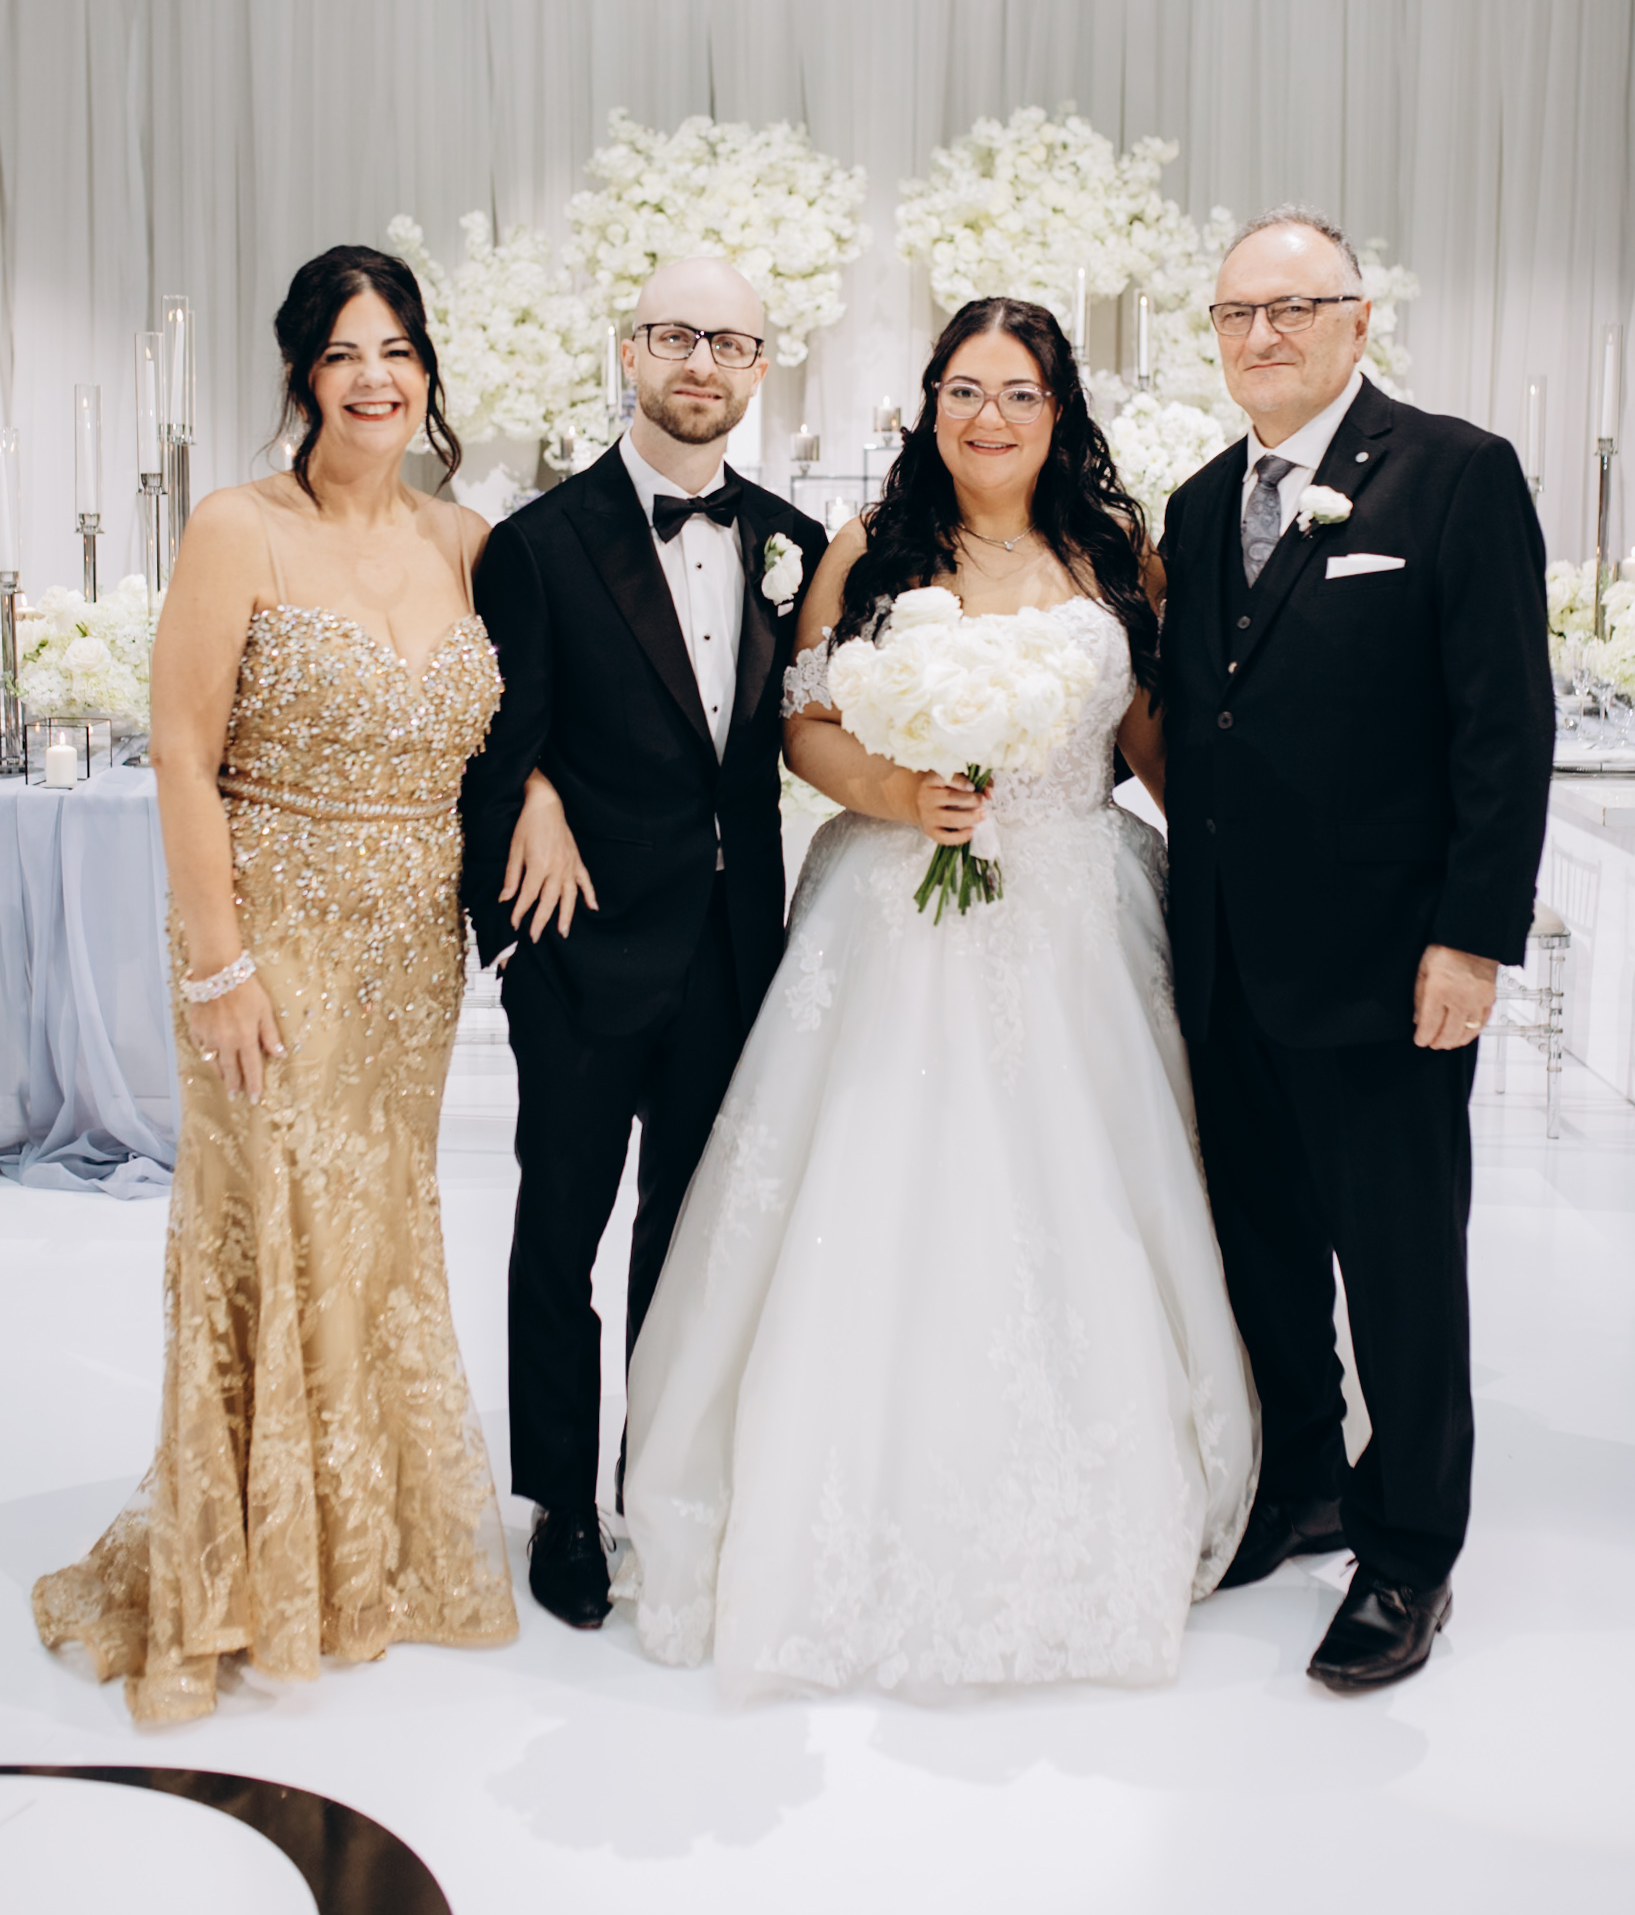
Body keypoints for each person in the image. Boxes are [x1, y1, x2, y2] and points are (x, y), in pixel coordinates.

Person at [611, 296, 1257, 1700]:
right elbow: (802, 725)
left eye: (1018, 393)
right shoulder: (871, 546)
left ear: (1057, 411)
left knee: (1082, 1188)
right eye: (964, 390)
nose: (989, 417)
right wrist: (903, 792)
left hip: (1076, 911)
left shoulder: (1115, 552)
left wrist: (1254, 864)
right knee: (877, 1181)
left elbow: (1153, 742)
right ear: (931, 404)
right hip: (897, 902)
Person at [33, 246, 518, 1723]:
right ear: (304, 375)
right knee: (275, 1225)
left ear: (427, 373)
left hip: (409, 957)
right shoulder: (240, 528)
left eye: (397, 352)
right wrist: (220, 965)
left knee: (376, 1232)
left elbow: (522, 736)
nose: (375, 379)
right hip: (273, 940)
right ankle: (248, 1570)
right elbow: (184, 752)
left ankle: (362, 1546)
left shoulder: (467, 540)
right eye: (344, 353)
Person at [1161, 207, 1553, 1692]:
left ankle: (1407, 1552)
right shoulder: (1201, 503)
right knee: (1262, 1251)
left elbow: (1503, 727)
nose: (1261, 335)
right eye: (1235, 313)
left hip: (1390, 964)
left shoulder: (1454, 474)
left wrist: (1471, 938)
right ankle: (1306, 1483)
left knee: (1399, 1272)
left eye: (1293, 307)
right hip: (1226, 961)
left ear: (1357, 319)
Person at [460, 257, 827, 1631]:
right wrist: (528, 820)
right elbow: (487, 746)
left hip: (733, 949)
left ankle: (658, 1473)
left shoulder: (792, 540)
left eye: (730, 342)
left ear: (760, 366)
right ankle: (561, 1500)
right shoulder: (538, 545)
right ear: (630, 351)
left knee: (690, 1230)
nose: (701, 363)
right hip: (581, 946)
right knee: (560, 1232)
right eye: (676, 336)